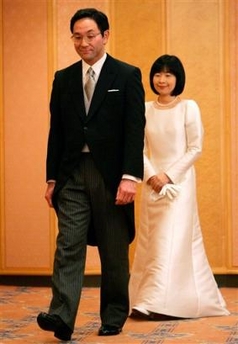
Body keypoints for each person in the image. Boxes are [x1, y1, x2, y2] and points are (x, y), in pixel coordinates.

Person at [36, 8, 145, 341]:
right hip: (71, 175)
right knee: (68, 244)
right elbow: (58, 131)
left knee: (113, 249)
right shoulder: (63, 78)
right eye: (77, 37)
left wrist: (131, 176)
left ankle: (113, 315)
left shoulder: (126, 75)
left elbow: (134, 129)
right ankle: (62, 317)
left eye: (90, 36)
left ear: (105, 36)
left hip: (111, 175)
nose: (83, 43)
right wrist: (52, 178)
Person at [129, 54, 230, 320]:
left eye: (168, 75)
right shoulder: (145, 108)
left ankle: (154, 302)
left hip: (180, 183)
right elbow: (136, 149)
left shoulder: (189, 108)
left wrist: (169, 176)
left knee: (170, 239)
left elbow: (195, 148)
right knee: (151, 240)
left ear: (178, 79)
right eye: (158, 74)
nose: (162, 80)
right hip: (152, 185)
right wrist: (152, 176)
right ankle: (148, 297)